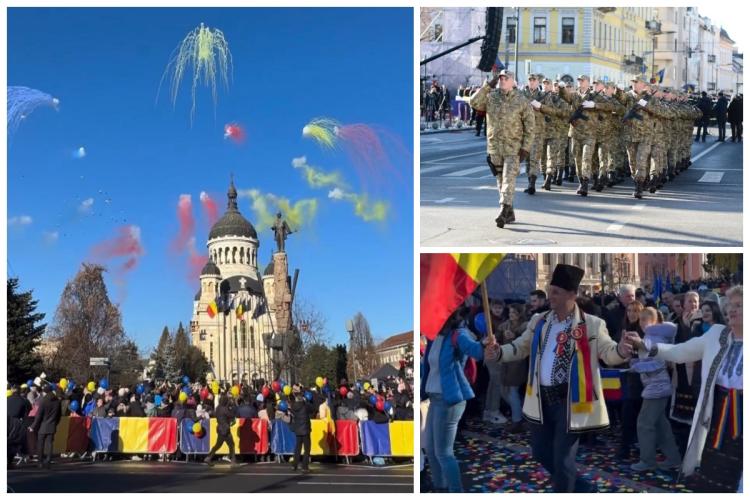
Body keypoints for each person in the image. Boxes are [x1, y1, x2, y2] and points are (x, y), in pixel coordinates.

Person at [484, 264, 633, 492]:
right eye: (550, 290)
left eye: (556, 292)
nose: (550, 296)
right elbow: (521, 346)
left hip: (571, 401)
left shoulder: (592, 324)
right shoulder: (538, 321)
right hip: (540, 399)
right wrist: (500, 352)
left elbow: (608, 353)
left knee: (563, 460)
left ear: (572, 295)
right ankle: (586, 489)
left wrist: (622, 350)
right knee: (541, 453)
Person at [627, 286, 743, 492]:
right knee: (716, 476)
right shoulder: (717, 335)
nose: (732, 310)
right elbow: (680, 352)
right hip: (718, 417)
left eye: (739, 305)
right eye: (730, 306)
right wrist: (646, 346)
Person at [422, 307, 487, 492]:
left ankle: (455, 491)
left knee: (443, 453)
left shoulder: (458, 335)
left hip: (449, 399)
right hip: (435, 398)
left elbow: (477, 352)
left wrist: (485, 342)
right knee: (431, 450)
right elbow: (428, 369)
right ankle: (440, 488)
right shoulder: (433, 339)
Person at [469, 69, 534, 228]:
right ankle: (509, 212)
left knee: (508, 179)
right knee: (500, 180)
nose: (502, 81)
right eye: (501, 78)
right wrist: (488, 86)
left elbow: (530, 127)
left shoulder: (522, 100)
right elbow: (474, 102)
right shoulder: (491, 97)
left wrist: (525, 148)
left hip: (514, 148)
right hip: (495, 147)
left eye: (506, 78)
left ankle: (503, 210)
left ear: (513, 81)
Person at [629, 308, 682, 472]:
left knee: (644, 423)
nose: (643, 323)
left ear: (655, 321)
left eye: (646, 319)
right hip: (656, 385)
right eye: (641, 320)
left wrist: (635, 365)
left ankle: (647, 460)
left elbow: (657, 364)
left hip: (657, 386)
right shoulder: (652, 336)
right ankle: (673, 458)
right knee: (660, 425)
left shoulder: (654, 336)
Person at [497, 303, 529, 433]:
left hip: (518, 361)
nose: (512, 315)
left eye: (514, 313)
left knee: (513, 391)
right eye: (510, 313)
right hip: (506, 360)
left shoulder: (525, 326)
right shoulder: (506, 324)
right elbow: (498, 335)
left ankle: (517, 420)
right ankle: (521, 414)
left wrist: (515, 336)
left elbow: (525, 341)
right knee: (505, 391)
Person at [29, 383, 62, 469]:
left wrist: (32, 426)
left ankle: (40, 462)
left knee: (40, 444)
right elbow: (59, 415)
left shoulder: (44, 401)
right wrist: (55, 423)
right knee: (50, 444)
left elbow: (38, 416)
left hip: (43, 426)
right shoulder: (57, 402)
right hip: (52, 425)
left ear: (45, 392)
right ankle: (48, 461)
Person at [204, 394, 237, 466]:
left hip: (220, 428)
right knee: (231, 444)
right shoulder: (225, 409)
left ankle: (208, 457)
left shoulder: (218, 408)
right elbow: (231, 415)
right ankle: (233, 461)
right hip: (225, 429)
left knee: (218, 445)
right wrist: (232, 406)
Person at [290, 386, 314, 472]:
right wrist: (306, 401)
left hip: (298, 429)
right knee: (307, 449)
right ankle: (304, 466)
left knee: (297, 448)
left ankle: (294, 465)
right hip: (305, 429)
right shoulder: (305, 406)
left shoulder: (293, 406)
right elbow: (312, 409)